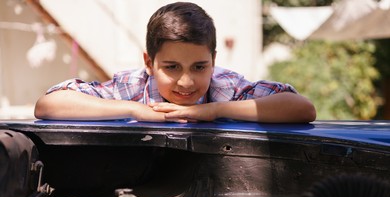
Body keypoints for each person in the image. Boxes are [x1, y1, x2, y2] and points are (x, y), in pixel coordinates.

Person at [34, 1, 316, 123]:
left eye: (199, 67)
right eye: (171, 67)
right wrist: (137, 110)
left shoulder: (225, 88)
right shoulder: (133, 87)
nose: (186, 81)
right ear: (149, 62)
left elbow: (302, 108)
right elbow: (48, 104)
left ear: (213, 61)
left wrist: (212, 111)